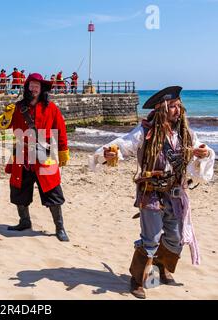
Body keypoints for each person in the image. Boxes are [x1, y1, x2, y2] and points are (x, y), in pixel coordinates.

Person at [89, 86, 215, 299]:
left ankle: (161, 266)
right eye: (173, 106)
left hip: (176, 193)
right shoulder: (144, 131)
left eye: (178, 106)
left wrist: (204, 153)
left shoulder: (185, 132)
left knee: (174, 238)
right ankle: (137, 280)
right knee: (151, 239)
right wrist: (109, 154)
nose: (178, 110)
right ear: (162, 108)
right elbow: (123, 146)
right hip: (151, 192)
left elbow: (200, 150)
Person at [0, 73, 71, 242]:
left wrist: (63, 151)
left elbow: (60, 130)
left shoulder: (51, 108)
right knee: (19, 190)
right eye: (31, 85)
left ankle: (60, 227)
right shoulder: (17, 107)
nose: (34, 88)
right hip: (22, 155)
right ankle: (24, 222)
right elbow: (2, 126)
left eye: (37, 85)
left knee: (53, 192)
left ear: (42, 88)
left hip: (45, 155)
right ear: (27, 87)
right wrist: (7, 115)